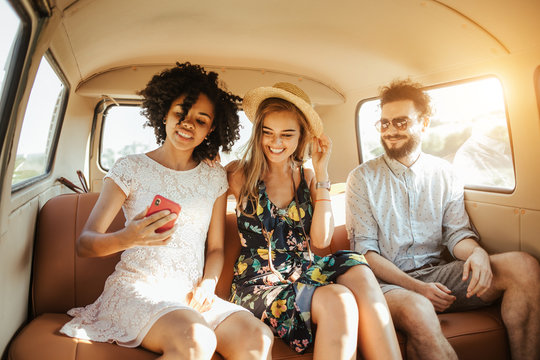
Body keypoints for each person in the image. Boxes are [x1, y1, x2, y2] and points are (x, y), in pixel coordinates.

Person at [60, 62, 273, 360]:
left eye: (201, 120)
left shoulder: (213, 177)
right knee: (196, 340)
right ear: (164, 114)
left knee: (256, 337)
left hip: (190, 296)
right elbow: (85, 243)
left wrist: (208, 285)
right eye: (180, 114)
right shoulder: (130, 168)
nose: (188, 125)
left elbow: (215, 249)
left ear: (211, 128)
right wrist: (128, 236)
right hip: (136, 291)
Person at [345, 79, 540, 360]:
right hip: (387, 284)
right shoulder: (362, 179)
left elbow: (457, 234)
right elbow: (366, 253)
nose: (390, 131)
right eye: (384, 124)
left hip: (439, 274)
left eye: (400, 122)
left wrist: (478, 254)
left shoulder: (445, 174)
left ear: (423, 124)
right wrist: (417, 288)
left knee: (524, 267)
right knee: (418, 308)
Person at [227, 82, 401, 359]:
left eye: (287, 134)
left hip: (303, 271)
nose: (276, 143)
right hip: (261, 284)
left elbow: (320, 240)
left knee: (356, 265)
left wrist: (321, 172)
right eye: (268, 133)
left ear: (302, 137)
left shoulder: (307, 178)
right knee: (339, 299)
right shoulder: (239, 174)